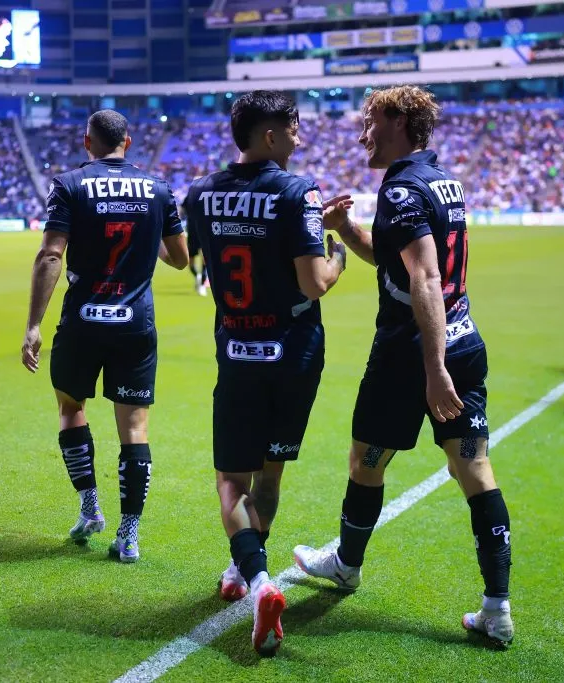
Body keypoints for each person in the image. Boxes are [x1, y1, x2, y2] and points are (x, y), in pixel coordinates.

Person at [292, 86, 515, 645]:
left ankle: (346, 563)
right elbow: (399, 260)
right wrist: (346, 232)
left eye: (370, 121)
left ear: (398, 120)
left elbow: (424, 277)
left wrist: (432, 367)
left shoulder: (400, 189)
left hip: (410, 354)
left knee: (365, 460)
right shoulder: (442, 181)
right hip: (464, 339)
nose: (363, 133)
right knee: (474, 468)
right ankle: (497, 608)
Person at [185, 90, 347, 656]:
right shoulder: (297, 190)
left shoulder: (201, 195)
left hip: (238, 348)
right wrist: (336, 252)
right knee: (269, 477)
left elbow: (203, 269)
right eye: (293, 125)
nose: (300, 132)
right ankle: (256, 578)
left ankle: (248, 572)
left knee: (231, 479)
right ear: (270, 136)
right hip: (295, 349)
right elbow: (314, 282)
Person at [21, 109, 189, 564]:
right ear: (128, 143)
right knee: (134, 428)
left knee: (70, 407)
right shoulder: (158, 188)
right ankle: (129, 534)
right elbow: (180, 259)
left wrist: (34, 324)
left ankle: (90, 507)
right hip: (135, 323)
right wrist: (146, 231)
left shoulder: (70, 184)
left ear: (86, 142)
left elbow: (50, 256)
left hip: (83, 321)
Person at [178, 199, 209, 296]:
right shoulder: (191, 196)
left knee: (205, 259)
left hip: (203, 232)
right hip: (193, 233)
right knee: (191, 263)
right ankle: (198, 277)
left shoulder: (204, 196)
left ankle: (202, 285)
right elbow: (181, 209)